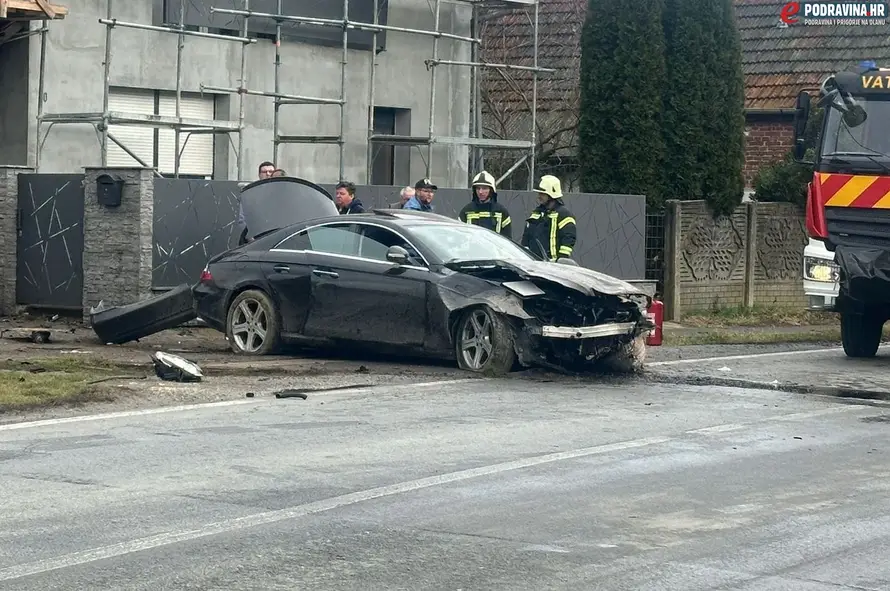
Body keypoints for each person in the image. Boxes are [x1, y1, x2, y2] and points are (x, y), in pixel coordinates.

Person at [520, 175, 576, 261]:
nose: (539, 196)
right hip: (533, 263)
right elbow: (526, 237)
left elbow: (569, 239)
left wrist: (562, 259)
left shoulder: (564, 215)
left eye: (542, 194)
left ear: (551, 195)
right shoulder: (536, 213)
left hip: (552, 265)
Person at [458, 171, 512, 238]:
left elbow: (507, 240)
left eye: (484, 188)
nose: (480, 192)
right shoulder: (466, 211)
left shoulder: (502, 212)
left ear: (491, 190)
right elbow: (460, 238)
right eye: (478, 188)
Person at [238, 161, 276, 241]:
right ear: (259, 175)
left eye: (271, 171)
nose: (268, 174)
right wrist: (250, 238)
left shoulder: (281, 193)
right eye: (264, 172)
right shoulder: (250, 193)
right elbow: (242, 218)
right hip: (256, 238)